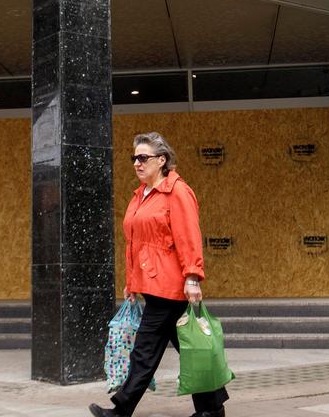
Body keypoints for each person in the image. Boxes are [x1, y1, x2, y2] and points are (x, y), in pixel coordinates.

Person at [90, 132, 228, 417]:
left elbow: (188, 236)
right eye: (134, 158)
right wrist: (131, 283)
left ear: (161, 160)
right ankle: (212, 409)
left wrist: (192, 277)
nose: (137, 163)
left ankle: (121, 410)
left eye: (143, 157)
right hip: (153, 285)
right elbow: (135, 245)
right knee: (192, 349)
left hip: (170, 286)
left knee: (145, 351)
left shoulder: (177, 192)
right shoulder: (140, 195)